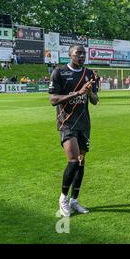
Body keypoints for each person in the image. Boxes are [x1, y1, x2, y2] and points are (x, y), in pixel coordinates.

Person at [48, 44, 99, 217]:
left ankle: (74, 201)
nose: (81, 55)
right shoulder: (59, 72)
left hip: (84, 124)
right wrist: (77, 93)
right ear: (70, 55)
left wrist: (90, 92)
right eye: (78, 53)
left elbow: (94, 101)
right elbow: (53, 100)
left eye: (83, 53)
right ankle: (63, 199)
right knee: (73, 161)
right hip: (67, 123)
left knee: (82, 162)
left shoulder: (89, 74)